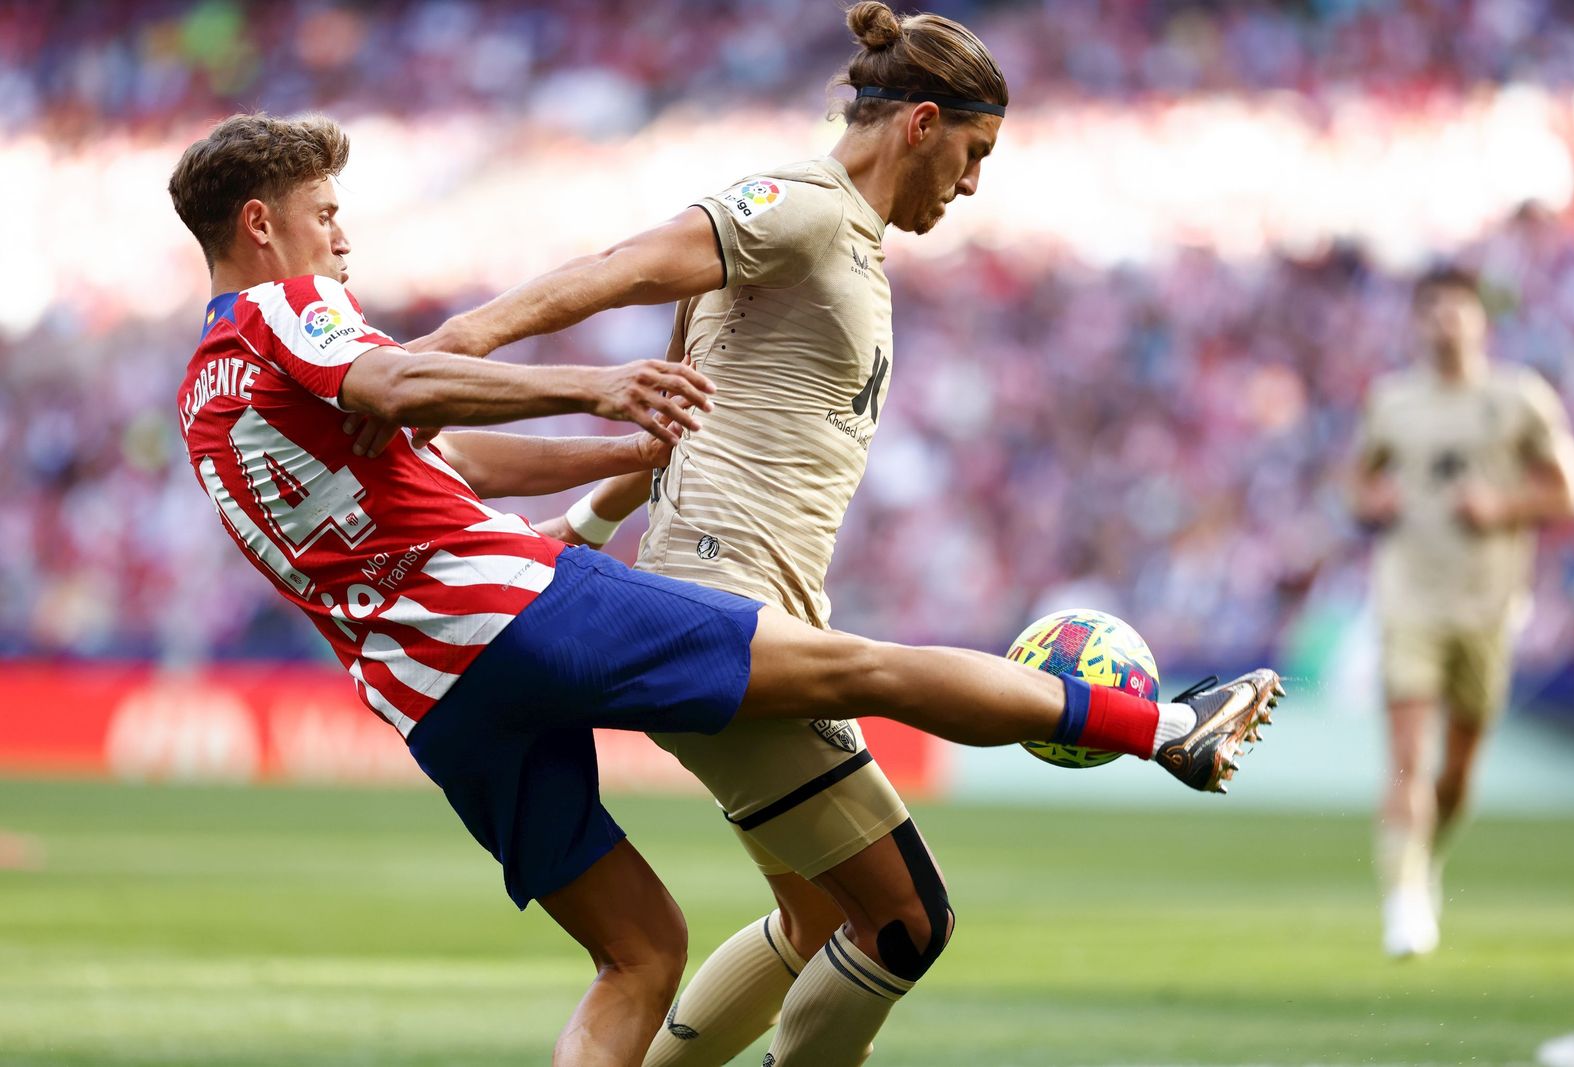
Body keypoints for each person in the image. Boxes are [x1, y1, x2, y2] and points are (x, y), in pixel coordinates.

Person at [411, 5, 1280, 1062]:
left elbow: (681, 412)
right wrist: (458, 347)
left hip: (740, 598)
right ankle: (1158, 726)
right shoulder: (805, 207)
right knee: (906, 921)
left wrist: (591, 521)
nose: (970, 184)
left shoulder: (847, 246)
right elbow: (629, 262)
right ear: (921, 122)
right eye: (973, 153)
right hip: (721, 604)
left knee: (817, 918)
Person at [1351, 266, 1574, 959]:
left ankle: (1423, 856)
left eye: (1456, 309)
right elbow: (1358, 483)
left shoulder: (1518, 399)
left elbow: (1571, 492)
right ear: (1416, 322)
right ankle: (1403, 902)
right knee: (1403, 756)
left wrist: (1505, 507)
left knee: (1456, 773)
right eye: (1430, 310)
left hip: (1488, 605)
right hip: (1408, 599)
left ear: (1481, 320)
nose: (1444, 322)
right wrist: (1375, 503)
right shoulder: (1392, 402)